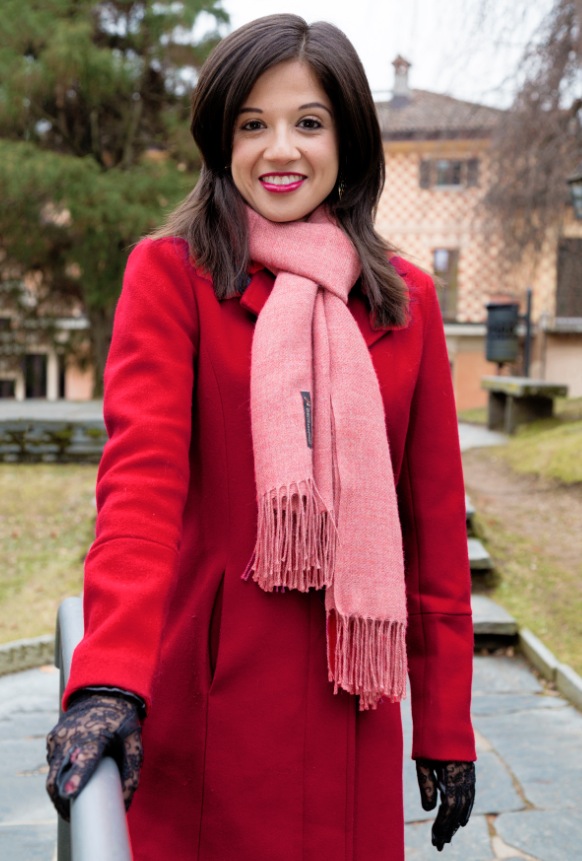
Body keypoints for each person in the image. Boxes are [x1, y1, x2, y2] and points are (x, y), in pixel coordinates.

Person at [46, 14, 476, 860]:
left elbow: (433, 528)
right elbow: (139, 490)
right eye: (253, 124)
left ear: (348, 138)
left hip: (353, 710)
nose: (280, 149)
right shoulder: (172, 275)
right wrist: (108, 679)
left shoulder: (407, 301)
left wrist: (447, 725)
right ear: (223, 141)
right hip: (211, 708)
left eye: (308, 122)